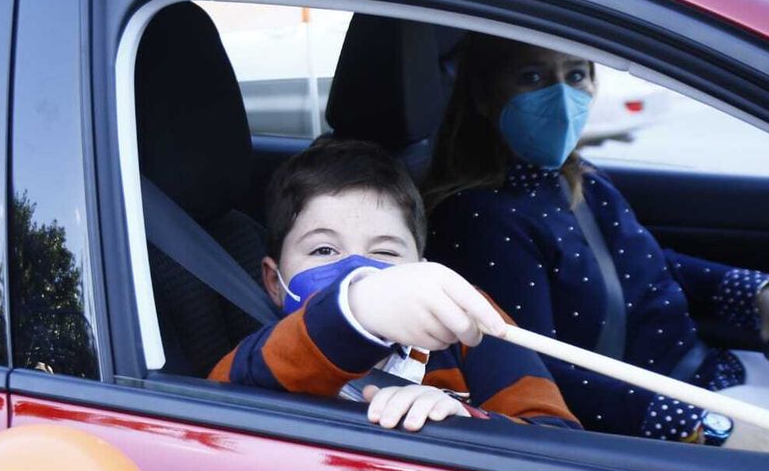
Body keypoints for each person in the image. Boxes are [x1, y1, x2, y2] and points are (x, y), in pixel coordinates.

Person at [421, 33, 769, 452]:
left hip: (706, 373)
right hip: (661, 417)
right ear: (486, 96)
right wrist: (706, 427)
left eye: (575, 74)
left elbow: (643, 265)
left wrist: (756, 294)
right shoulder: (482, 219)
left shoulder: (574, 179)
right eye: (532, 77)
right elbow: (538, 370)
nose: (561, 95)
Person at [210, 137, 579, 433]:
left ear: (421, 269)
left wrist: (469, 423)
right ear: (275, 282)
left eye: (384, 251)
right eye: (324, 249)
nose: (357, 270)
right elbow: (218, 407)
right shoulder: (268, 356)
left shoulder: (464, 320)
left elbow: (559, 438)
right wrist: (356, 312)